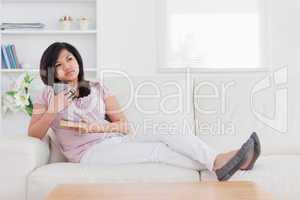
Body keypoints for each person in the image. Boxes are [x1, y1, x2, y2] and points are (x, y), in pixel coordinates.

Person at [28, 42, 261, 181]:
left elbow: (124, 126)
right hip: (90, 154)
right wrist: (53, 110)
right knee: (157, 151)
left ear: (77, 59)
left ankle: (221, 162)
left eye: (70, 58)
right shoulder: (47, 94)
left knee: (169, 128)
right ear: (52, 71)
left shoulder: (98, 87)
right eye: (59, 64)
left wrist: (95, 127)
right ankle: (227, 161)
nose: (68, 66)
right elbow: (34, 133)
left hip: (114, 138)